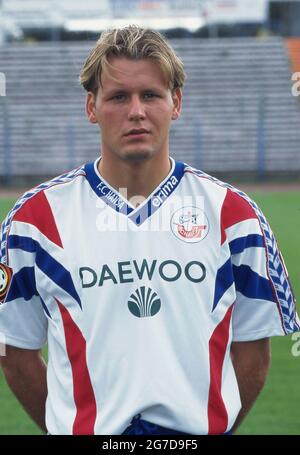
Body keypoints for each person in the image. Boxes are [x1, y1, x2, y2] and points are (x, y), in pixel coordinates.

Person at [0, 25, 299, 436]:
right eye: (119, 97)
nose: (136, 111)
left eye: (151, 95)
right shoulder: (34, 220)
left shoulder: (235, 215)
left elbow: (253, 350)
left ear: (176, 103)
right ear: (92, 106)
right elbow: (14, 351)